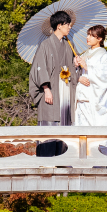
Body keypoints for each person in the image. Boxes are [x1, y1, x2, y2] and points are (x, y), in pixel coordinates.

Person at [29, 12, 80, 154]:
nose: (70, 27)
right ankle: (47, 163)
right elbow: (39, 68)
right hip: (51, 91)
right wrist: (46, 89)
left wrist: (75, 65)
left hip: (65, 92)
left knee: (64, 125)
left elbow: (72, 69)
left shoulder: (69, 45)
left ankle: (63, 163)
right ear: (59, 26)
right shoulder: (45, 45)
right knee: (50, 125)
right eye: (67, 24)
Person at [74, 24, 107, 154]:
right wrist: (77, 71)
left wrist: (88, 67)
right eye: (88, 34)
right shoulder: (85, 53)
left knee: (95, 137)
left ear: (100, 39)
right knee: (81, 135)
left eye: (92, 35)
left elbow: (105, 76)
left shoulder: (104, 55)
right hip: (81, 101)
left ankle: (96, 162)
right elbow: (78, 74)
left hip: (94, 101)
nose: (88, 37)